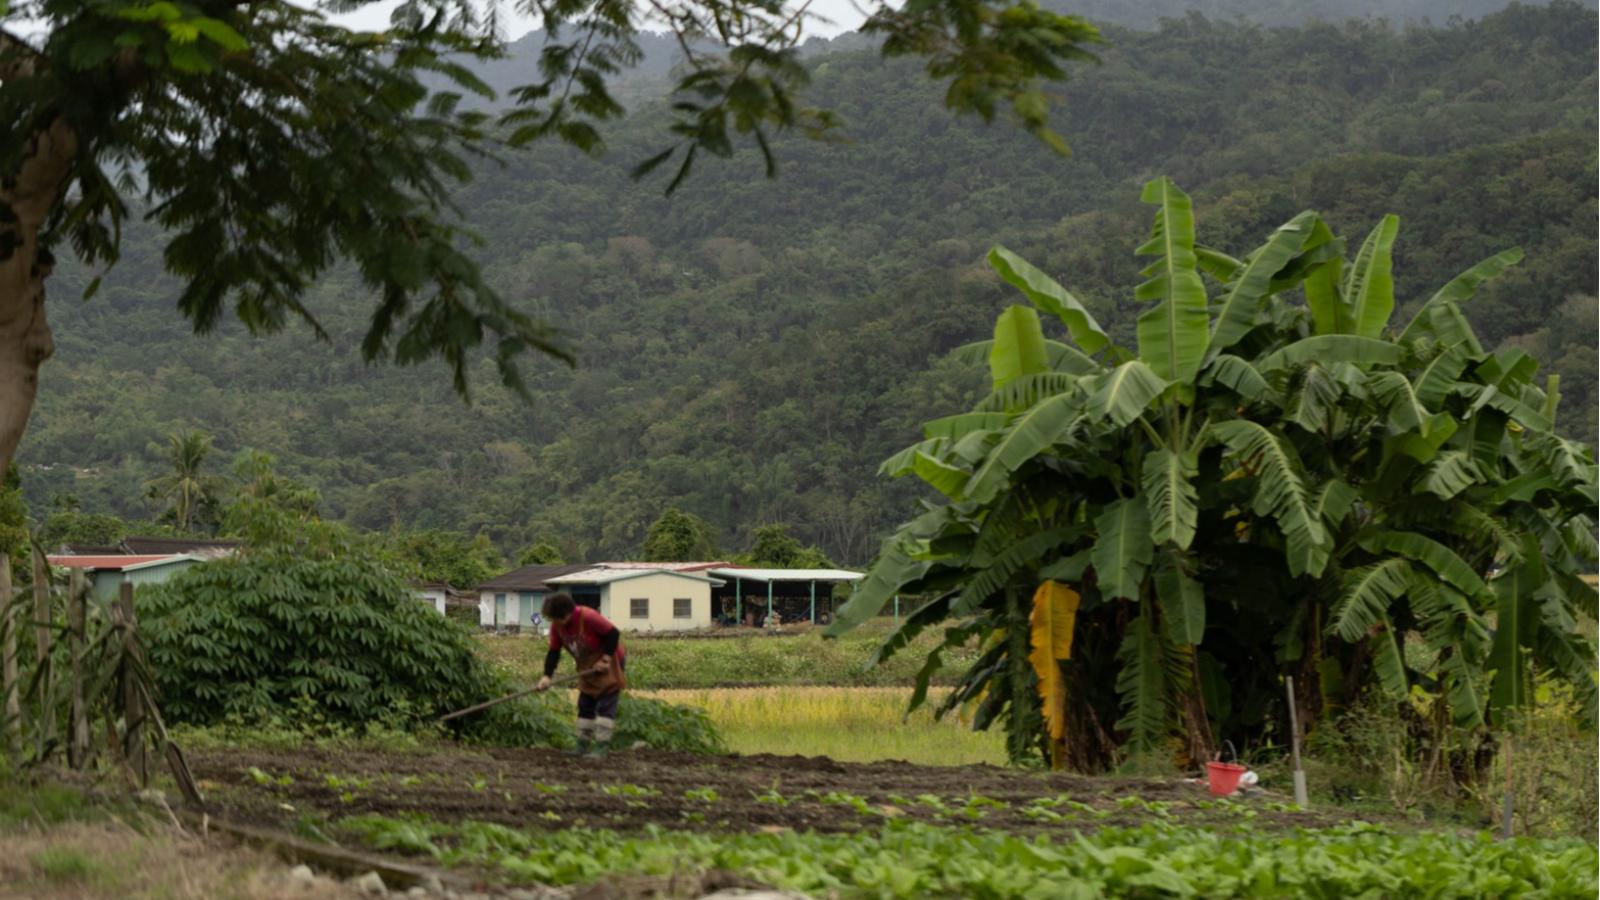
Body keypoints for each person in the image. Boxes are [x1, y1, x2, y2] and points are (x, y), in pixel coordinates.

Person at [536, 592, 626, 757]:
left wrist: (605, 659)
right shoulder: (558, 627)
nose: (555, 622)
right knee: (585, 704)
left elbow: (613, 633)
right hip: (587, 666)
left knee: (605, 704)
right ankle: (582, 745)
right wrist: (547, 676)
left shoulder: (589, 617)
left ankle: (601, 747)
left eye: (557, 618)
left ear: (567, 613)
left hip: (610, 662)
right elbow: (554, 651)